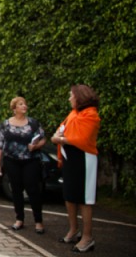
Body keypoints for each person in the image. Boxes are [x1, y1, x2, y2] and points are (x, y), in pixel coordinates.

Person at [51, 84, 100, 253]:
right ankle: (73, 230)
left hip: (84, 159)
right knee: (69, 195)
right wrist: (58, 137)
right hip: (69, 159)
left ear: (80, 97)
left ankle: (88, 237)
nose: (69, 98)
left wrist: (61, 139)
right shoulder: (73, 114)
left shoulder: (90, 115)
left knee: (84, 199)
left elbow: (82, 139)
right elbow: (61, 131)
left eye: (71, 95)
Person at [0, 96, 47, 234]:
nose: (24, 106)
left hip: (30, 160)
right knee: (16, 190)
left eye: (25, 104)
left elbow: (43, 140)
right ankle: (19, 219)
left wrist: (35, 147)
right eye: (21, 104)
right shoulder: (5, 124)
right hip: (11, 161)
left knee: (32, 189)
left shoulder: (33, 123)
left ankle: (38, 221)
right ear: (14, 108)